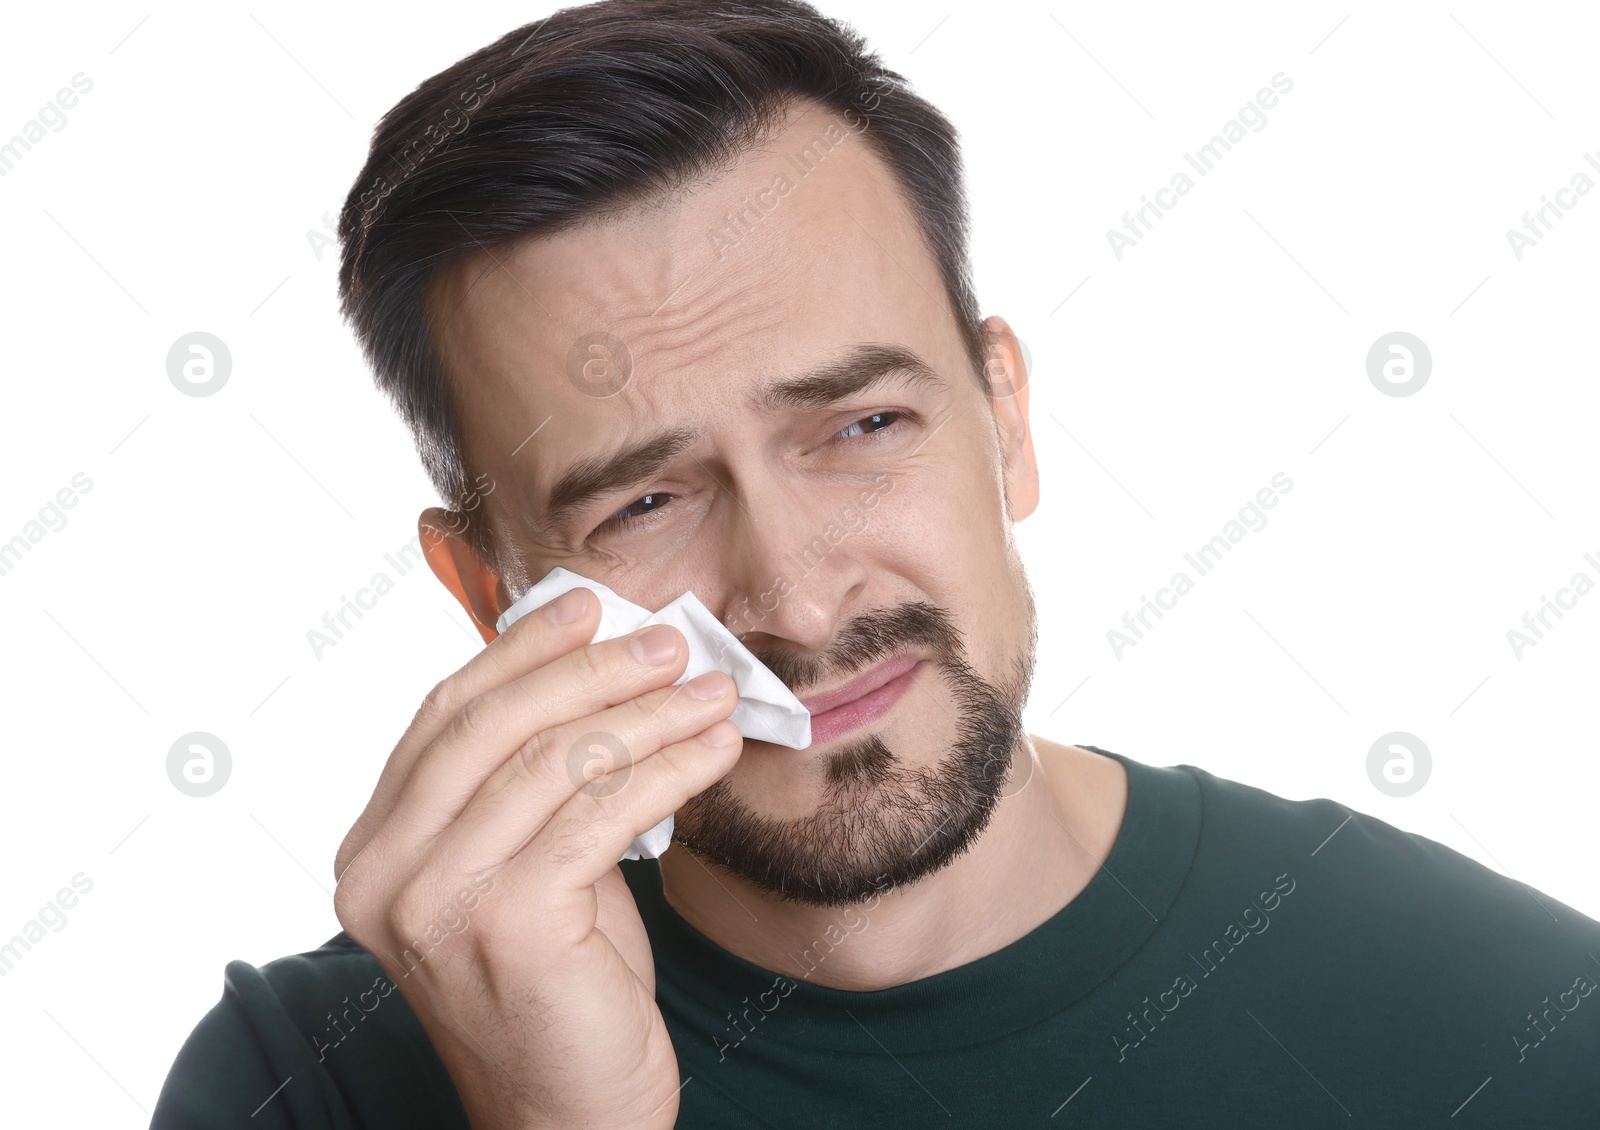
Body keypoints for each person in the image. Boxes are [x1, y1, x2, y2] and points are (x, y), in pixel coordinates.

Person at [152, 1, 1600, 1125]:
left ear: (1008, 422)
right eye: (645, 501)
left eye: (860, 424)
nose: (796, 597)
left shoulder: (1516, 1028)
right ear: (492, 600)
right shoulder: (308, 1082)